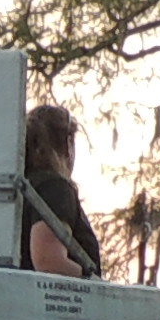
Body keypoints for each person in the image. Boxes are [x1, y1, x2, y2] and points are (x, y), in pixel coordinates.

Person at [20, 103, 103, 278]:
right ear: (67, 144)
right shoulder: (55, 189)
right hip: (56, 302)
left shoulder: (25, 189)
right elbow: (48, 261)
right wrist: (94, 283)